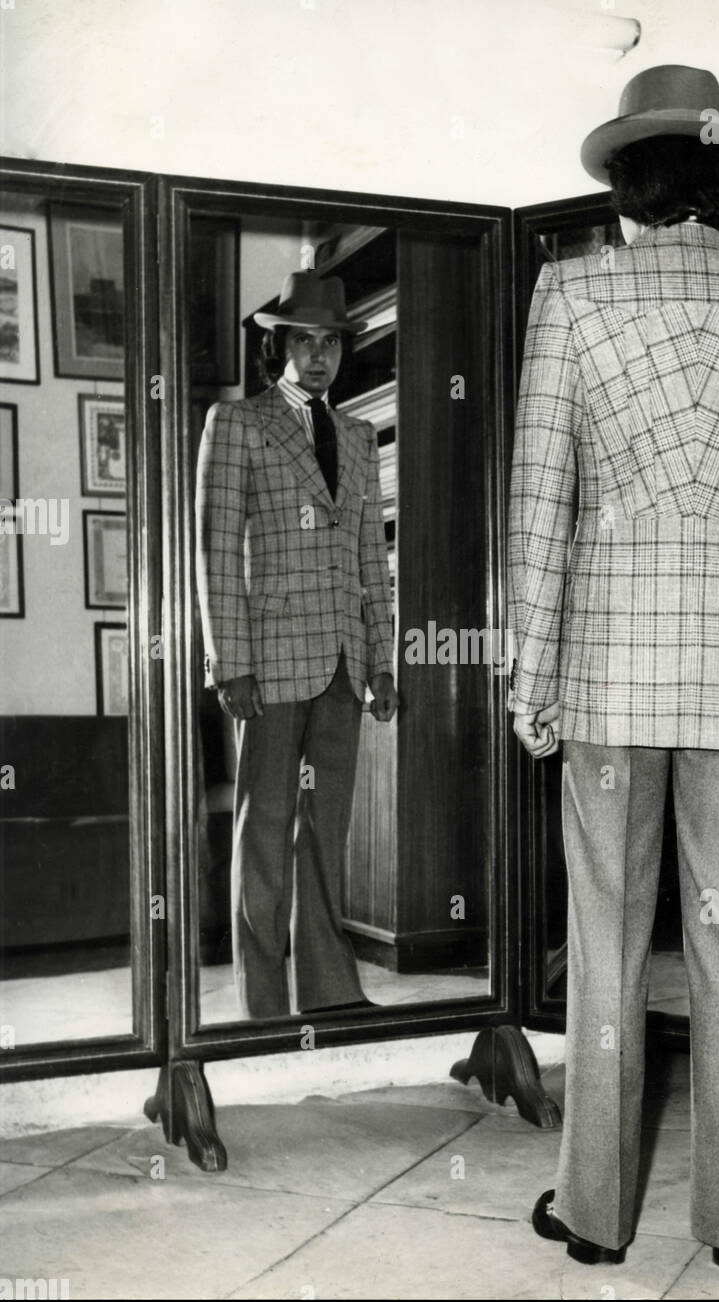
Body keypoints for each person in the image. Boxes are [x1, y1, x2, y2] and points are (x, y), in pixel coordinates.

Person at [508, 65, 719, 1267]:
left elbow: (538, 503)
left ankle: (594, 1215)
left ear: (624, 193)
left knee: (604, 944)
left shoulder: (573, 294)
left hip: (605, 676)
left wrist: (528, 672)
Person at [196, 270, 398, 1020]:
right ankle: (264, 1007)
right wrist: (230, 662)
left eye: (331, 343)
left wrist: (382, 660)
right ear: (277, 345)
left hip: (345, 661)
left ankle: (330, 991)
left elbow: (369, 559)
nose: (318, 357)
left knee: (324, 832)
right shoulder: (239, 424)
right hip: (270, 662)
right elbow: (217, 551)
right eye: (304, 341)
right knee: (264, 833)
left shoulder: (356, 433)